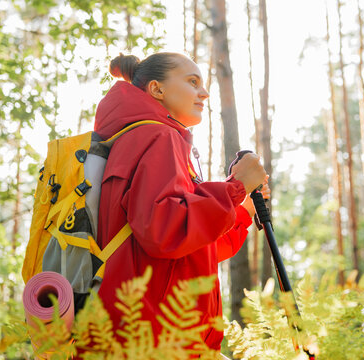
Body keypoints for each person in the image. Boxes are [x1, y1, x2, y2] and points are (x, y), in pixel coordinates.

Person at [84, 52, 268, 355]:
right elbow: (164, 230)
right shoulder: (158, 136)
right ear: (157, 89)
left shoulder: (131, 138)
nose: (204, 92)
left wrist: (243, 209)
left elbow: (190, 248)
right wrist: (235, 187)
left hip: (136, 331)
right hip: (158, 335)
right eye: (192, 81)